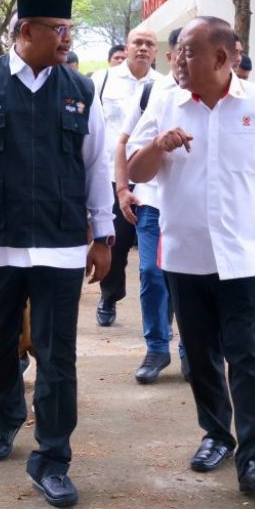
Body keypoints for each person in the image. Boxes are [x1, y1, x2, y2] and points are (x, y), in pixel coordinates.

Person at [0, 0, 114, 509]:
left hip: (60, 244)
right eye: (58, 29)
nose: (68, 39)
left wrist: (102, 235)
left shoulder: (80, 89)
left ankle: (53, 459)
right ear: (25, 30)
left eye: (70, 29)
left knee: (58, 356)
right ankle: (6, 414)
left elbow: (97, 165)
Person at [128, 16, 255, 493]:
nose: (178, 60)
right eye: (178, 51)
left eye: (188, 51)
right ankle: (216, 435)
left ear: (223, 59)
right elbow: (135, 171)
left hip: (244, 257)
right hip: (184, 255)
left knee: (247, 356)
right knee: (199, 359)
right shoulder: (165, 102)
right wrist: (160, 144)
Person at [113, 26, 183, 384]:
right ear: (171, 56)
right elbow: (124, 143)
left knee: (189, 278)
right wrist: (123, 189)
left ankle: (192, 349)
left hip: (194, 207)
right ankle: (157, 347)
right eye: (183, 52)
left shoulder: (224, 93)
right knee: (152, 274)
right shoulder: (154, 92)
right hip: (153, 201)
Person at [91, 28, 162, 327]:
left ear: (156, 52)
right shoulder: (102, 80)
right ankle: (110, 295)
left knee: (156, 248)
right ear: (127, 47)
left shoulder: (164, 86)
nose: (143, 48)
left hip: (151, 177)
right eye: (138, 43)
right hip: (110, 174)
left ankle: (163, 313)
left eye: (149, 44)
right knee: (115, 243)